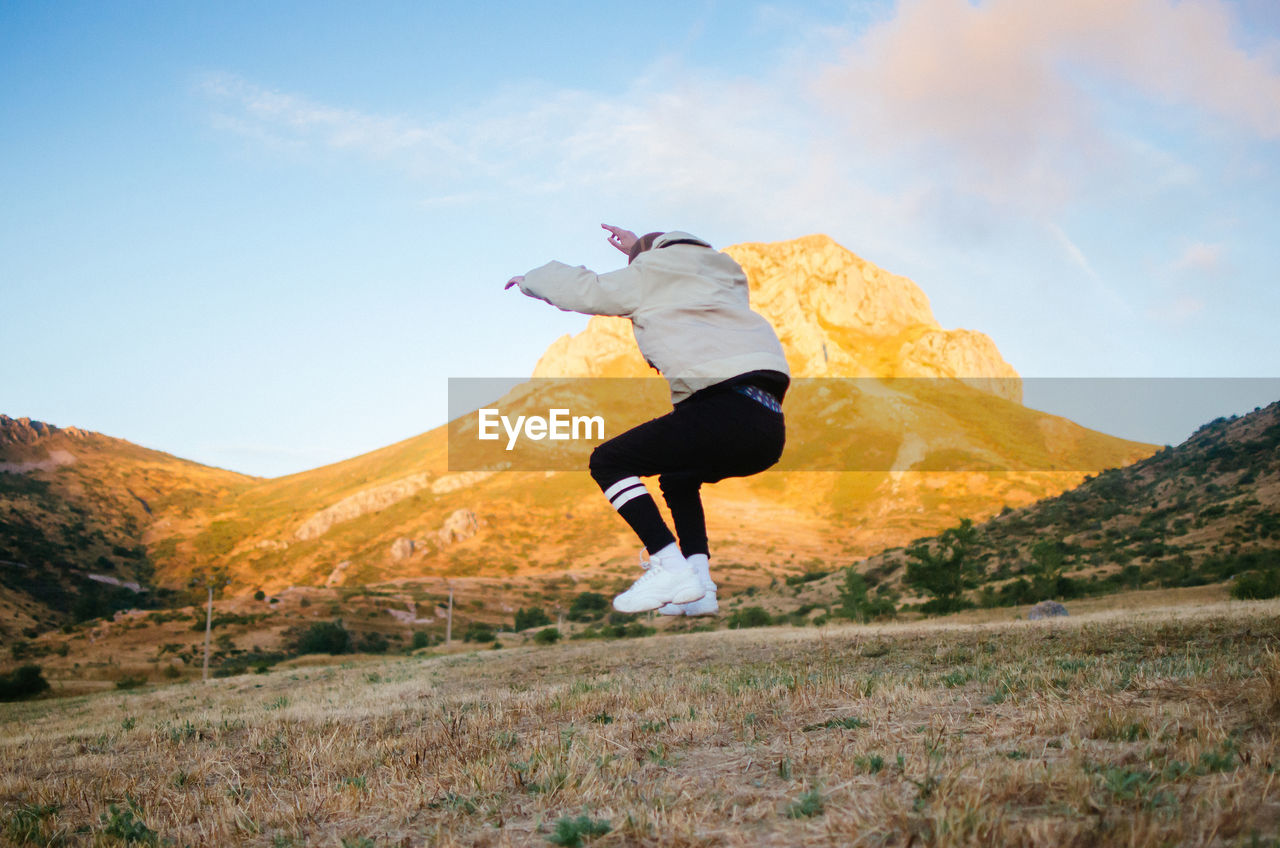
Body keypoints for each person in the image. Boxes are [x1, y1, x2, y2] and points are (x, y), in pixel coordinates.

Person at [505, 224, 789, 614]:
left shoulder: (652, 274)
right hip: (767, 425)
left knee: (609, 461)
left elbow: (588, 290)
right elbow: (674, 266)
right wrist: (642, 246)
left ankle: (670, 567)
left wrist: (532, 281)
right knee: (678, 478)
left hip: (723, 408)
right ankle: (700, 588)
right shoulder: (724, 277)